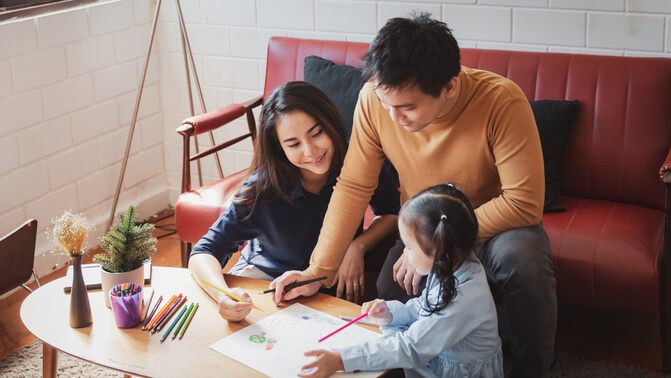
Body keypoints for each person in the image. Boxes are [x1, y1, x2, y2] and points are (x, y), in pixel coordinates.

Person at [271, 13, 556, 377]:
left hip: (495, 224)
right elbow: (355, 185)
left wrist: (437, 243)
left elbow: (523, 202)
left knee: (524, 261)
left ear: (450, 86)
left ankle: (534, 367)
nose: (392, 117)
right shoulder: (376, 103)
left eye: (406, 107)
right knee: (391, 287)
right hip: (423, 226)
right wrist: (318, 271)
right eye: (386, 103)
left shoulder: (501, 101)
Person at [189, 81, 400, 321]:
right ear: (279, 149)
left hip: (326, 286)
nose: (311, 151)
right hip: (265, 284)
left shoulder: (360, 163)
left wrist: (356, 246)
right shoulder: (263, 189)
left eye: (317, 133)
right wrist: (223, 295)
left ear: (331, 122)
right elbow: (204, 251)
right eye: (293, 144)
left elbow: (392, 212)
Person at [299, 184, 503, 378]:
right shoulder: (453, 264)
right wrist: (391, 313)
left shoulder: (463, 299)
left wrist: (340, 360)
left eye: (410, 248)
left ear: (441, 252)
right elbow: (425, 307)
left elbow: (410, 347)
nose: (405, 253)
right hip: (439, 357)